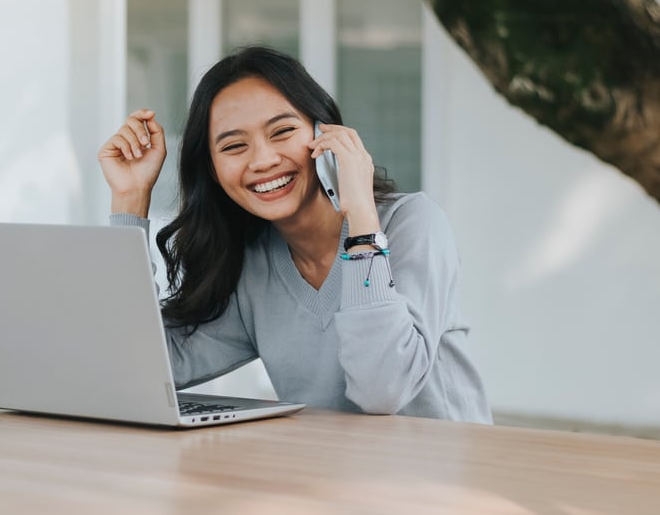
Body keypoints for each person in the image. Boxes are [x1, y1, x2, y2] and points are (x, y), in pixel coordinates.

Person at [98, 46, 491, 423]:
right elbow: (137, 366)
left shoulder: (413, 224)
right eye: (234, 145)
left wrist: (362, 222)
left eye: (282, 131)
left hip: (444, 482)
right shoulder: (253, 265)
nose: (264, 160)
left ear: (325, 133)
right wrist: (130, 200)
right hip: (327, 480)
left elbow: (382, 390)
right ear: (213, 171)